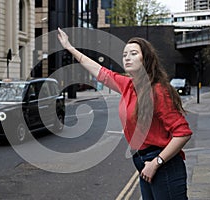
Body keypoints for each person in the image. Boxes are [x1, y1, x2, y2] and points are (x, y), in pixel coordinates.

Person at [57, 28, 192, 200]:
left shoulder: (158, 91)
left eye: (133, 53)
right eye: (125, 54)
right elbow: (100, 71)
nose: (127, 57)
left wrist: (156, 163)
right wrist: (69, 47)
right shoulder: (128, 85)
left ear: (146, 59)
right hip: (143, 162)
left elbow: (183, 133)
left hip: (163, 165)